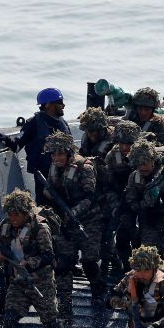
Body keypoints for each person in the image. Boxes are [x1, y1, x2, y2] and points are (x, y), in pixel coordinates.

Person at [0, 188, 62, 328]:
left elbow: (48, 256)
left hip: (40, 282)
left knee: (50, 320)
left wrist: (28, 263)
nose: (13, 218)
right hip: (17, 283)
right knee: (10, 319)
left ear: (25, 213)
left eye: (16, 215)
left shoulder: (40, 228)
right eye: (10, 214)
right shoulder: (5, 226)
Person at [43, 131, 106, 308]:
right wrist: (50, 195)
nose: (56, 158)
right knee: (64, 263)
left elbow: (89, 197)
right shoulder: (54, 167)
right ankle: (65, 301)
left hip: (89, 219)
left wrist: (73, 212)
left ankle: (98, 292)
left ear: (69, 153)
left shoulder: (84, 167)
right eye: (53, 154)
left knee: (89, 261)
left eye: (60, 154)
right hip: (65, 222)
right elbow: (48, 189)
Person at [125, 139, 164, 267]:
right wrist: (146, 203)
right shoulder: (134, 177)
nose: (142, 167)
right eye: (138, 164)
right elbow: (131, 202)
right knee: (151, 254)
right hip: (152, 217)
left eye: (145, 163)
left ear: (153, 160)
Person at [3, 88, 72, 204]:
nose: (63, 105)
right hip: (44, 178)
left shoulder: (62, 123)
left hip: (65, 175)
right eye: (59, 103)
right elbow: (17, 146)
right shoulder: (34, 123)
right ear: (48, 105)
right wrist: (6, 140)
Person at [101, 119, 142, 275]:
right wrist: (116, 206)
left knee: (141, 236)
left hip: (143, 200)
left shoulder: (144, 154)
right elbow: (108, 186)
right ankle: (126, 268)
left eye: (129, 144)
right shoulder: (112, 157)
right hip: (122, 200)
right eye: (122, 143)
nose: (125, 147)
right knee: (123, 235)